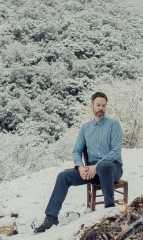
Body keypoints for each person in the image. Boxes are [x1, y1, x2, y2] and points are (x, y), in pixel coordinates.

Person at [34, 92, 123, 233]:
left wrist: (97, 166)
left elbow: (116, 151)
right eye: (98, 105)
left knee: (104, 166)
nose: (101, 108)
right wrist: (80, 167)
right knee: (63, 176)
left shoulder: (113, 125)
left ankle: (109, 211)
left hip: (112, 167)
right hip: (90, 170)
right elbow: (76, 151)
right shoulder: (85, 128)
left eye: (104, 106)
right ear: (92, 105)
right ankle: (51, 217)